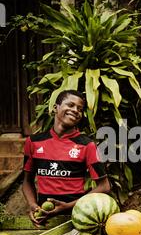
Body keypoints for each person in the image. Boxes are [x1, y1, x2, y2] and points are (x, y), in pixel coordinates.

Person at [22, 90, 111, 227]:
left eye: (80, 109)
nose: (75, 110)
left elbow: (104, 186)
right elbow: (27, 181)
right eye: (70, 105)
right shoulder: (33, 142)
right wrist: (33, 205)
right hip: (44, 219)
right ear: (55, 108)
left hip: (76, 218)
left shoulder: (87, 145)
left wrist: (68, 206)